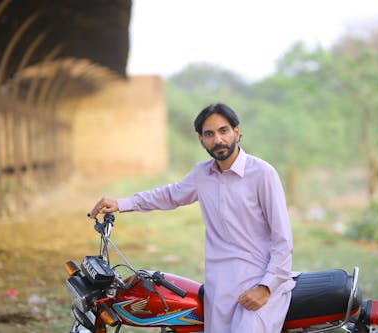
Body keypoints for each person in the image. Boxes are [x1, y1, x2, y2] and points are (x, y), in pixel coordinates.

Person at [89, 103, 295, 333]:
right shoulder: (202, 174)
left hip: (261, 280)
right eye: (209, 134)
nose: (218, 139)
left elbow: (282, 239)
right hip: (221, 287)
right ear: (201, 140)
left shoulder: (262, 174)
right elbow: (168, 195)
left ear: (236, 132)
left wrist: (266, 287)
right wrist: (121, 204)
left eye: (223, 131)